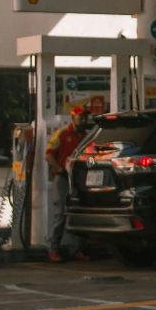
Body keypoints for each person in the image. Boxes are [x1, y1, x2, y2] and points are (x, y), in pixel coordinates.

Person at [44, 106, 90, 262]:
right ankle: (53, 250)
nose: (84, 120)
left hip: (79, 180)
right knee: (61, 214)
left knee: (79, 213)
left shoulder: (86, 136)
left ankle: (76, 249)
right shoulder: (62, 134)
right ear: (73, 118)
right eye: (81, 117)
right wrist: (58, 168)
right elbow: (49, 154)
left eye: (85, 117)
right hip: (63, 179)